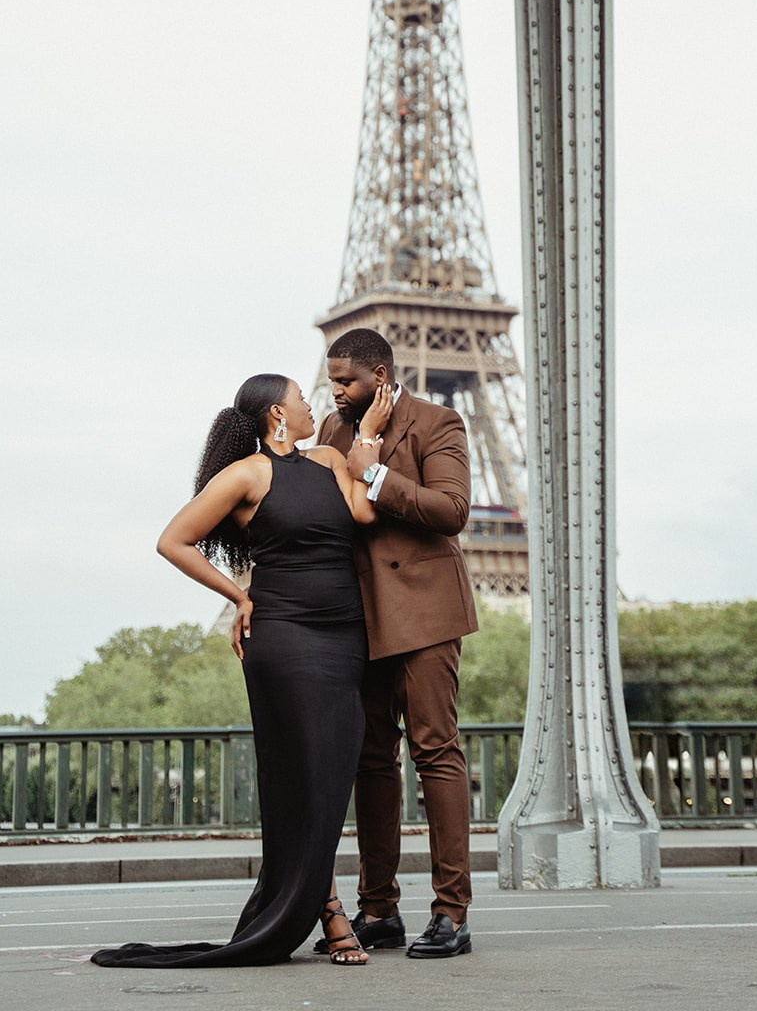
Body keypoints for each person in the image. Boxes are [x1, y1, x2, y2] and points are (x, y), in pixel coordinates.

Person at [90, 371, 391, 970]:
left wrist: (367, 446)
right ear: (277, 415)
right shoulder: (248, 474)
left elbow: (362, 515)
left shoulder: (331, 459)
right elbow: (174, 541)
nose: (309, 404)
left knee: (333, 775)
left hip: (343, 635)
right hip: (285, 636)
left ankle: (317, 899)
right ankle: (330, 909)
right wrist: (237, 595)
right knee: (303, 775)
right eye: (300, 399)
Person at [315, 326, 478, 960]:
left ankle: (451, 912)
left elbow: (452, 510)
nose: (335, 390)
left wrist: (375, 474)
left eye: (345, 381)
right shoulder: (333, 432)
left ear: (379, 376)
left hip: (425, 614)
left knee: (435, 751)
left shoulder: (438, 422)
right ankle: (379, 908)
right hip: (359, 615)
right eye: (331, 380)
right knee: (370, 760)